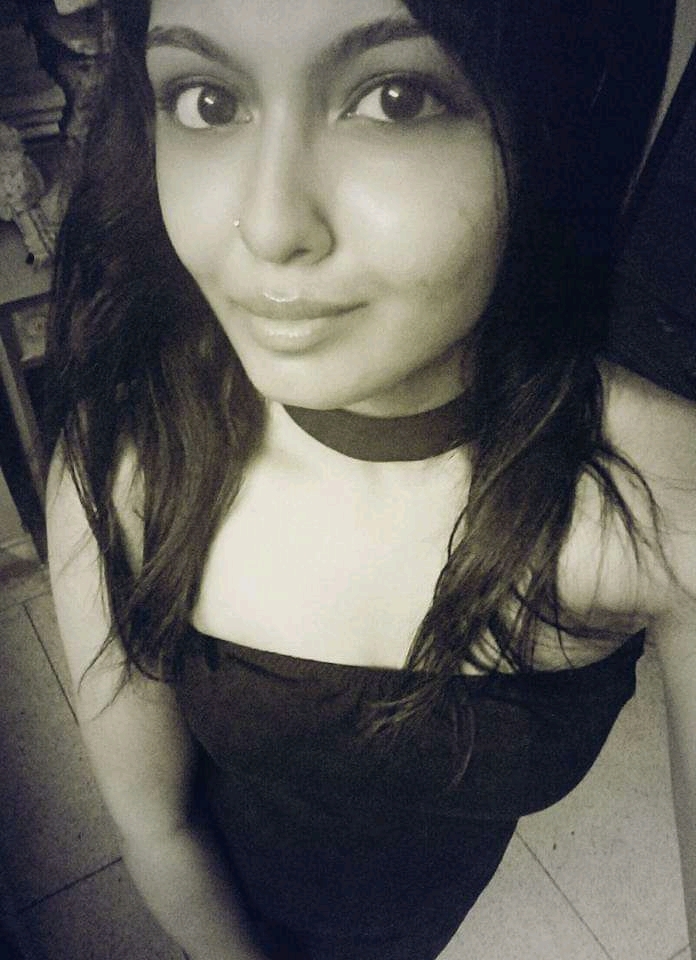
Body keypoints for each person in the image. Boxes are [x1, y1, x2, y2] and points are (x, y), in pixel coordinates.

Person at [45, 1, 696, 958]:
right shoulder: (136, 456)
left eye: (397, 98)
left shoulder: (658, 493)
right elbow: (159, 829)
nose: (270, 227)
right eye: (207, 100)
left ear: (556, 121)